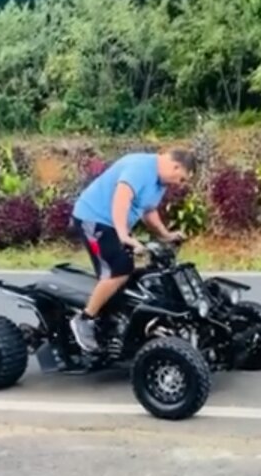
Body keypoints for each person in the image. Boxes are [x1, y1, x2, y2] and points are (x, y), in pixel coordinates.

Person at [66, 148, 196, 352]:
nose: (179, 184)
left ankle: (114, 316)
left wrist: (165, 235)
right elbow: (121, 199)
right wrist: (123, 235)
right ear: (175, 166)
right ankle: (85, 319)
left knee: (143, 270)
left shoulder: (159, 182)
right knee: (118, 270)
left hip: (113, 223)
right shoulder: (140, 167)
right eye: (181, 179)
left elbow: (149, 211)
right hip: (93, 218)